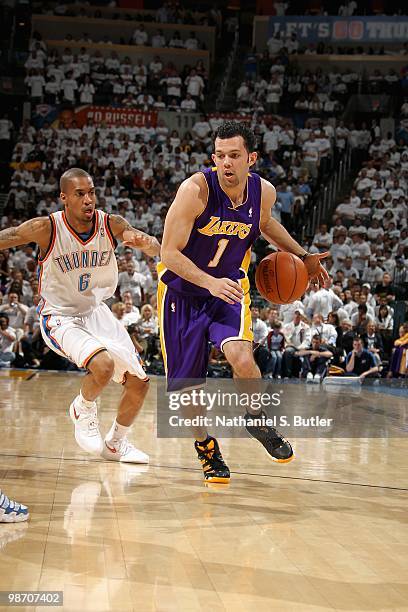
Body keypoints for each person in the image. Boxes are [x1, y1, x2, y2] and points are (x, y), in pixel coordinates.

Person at [159, 121, 329, 483]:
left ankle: (255, 418)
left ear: (251, 158)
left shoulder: (262, 192)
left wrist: (302, 255)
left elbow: (265, 225)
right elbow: (168, 254)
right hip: (182, 292)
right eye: (220, 156)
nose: (226, 163)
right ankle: (206, 448)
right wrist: (208, 282)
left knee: (243, 358)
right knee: (189, 386)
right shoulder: (195, 191)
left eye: (234, 155)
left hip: (230, 289)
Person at [0, 168, 160, 464]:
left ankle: (115, 444)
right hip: (59, 316)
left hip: (95, 310)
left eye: (92, 192)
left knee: (140, 384)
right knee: (103, 366)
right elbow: (9, 236)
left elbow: (146, 242)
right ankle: (82, 409)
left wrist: (147, 243)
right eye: (80, 194)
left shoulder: (110, 224)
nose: (89, 200)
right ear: (64, 198)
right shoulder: (46, 228)